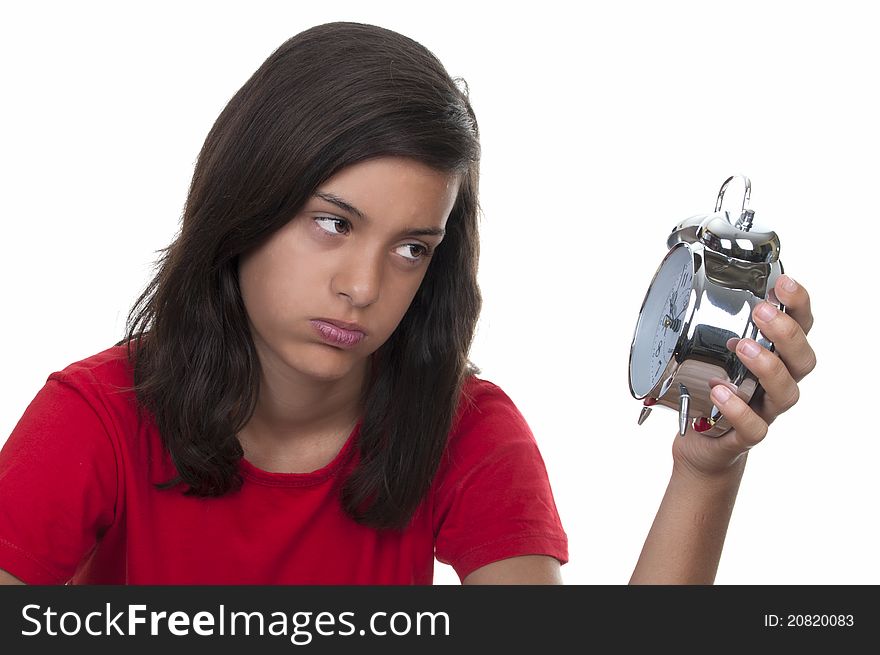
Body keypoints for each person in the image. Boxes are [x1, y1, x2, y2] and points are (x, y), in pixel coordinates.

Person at [0, 22, 815, 585]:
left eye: (411, 248)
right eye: (332, 222)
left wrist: (709, 470)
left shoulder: (468, 431)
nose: (363, 287)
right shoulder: (94, 417)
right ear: (244, 203)